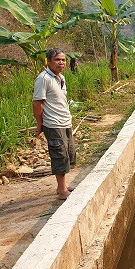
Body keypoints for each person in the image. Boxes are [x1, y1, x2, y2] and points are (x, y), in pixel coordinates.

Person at [32, 48, 76, 200]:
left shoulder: (60, 77)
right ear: (48, 61)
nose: (61, 63)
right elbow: (37, 103)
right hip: (53, 123)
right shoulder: (43, 79)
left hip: (64, 121)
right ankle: (63, 192)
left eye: (63, 60)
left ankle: (62, 186)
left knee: (67, 155)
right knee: (59, 155)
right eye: (57, 60)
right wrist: (40, 124)